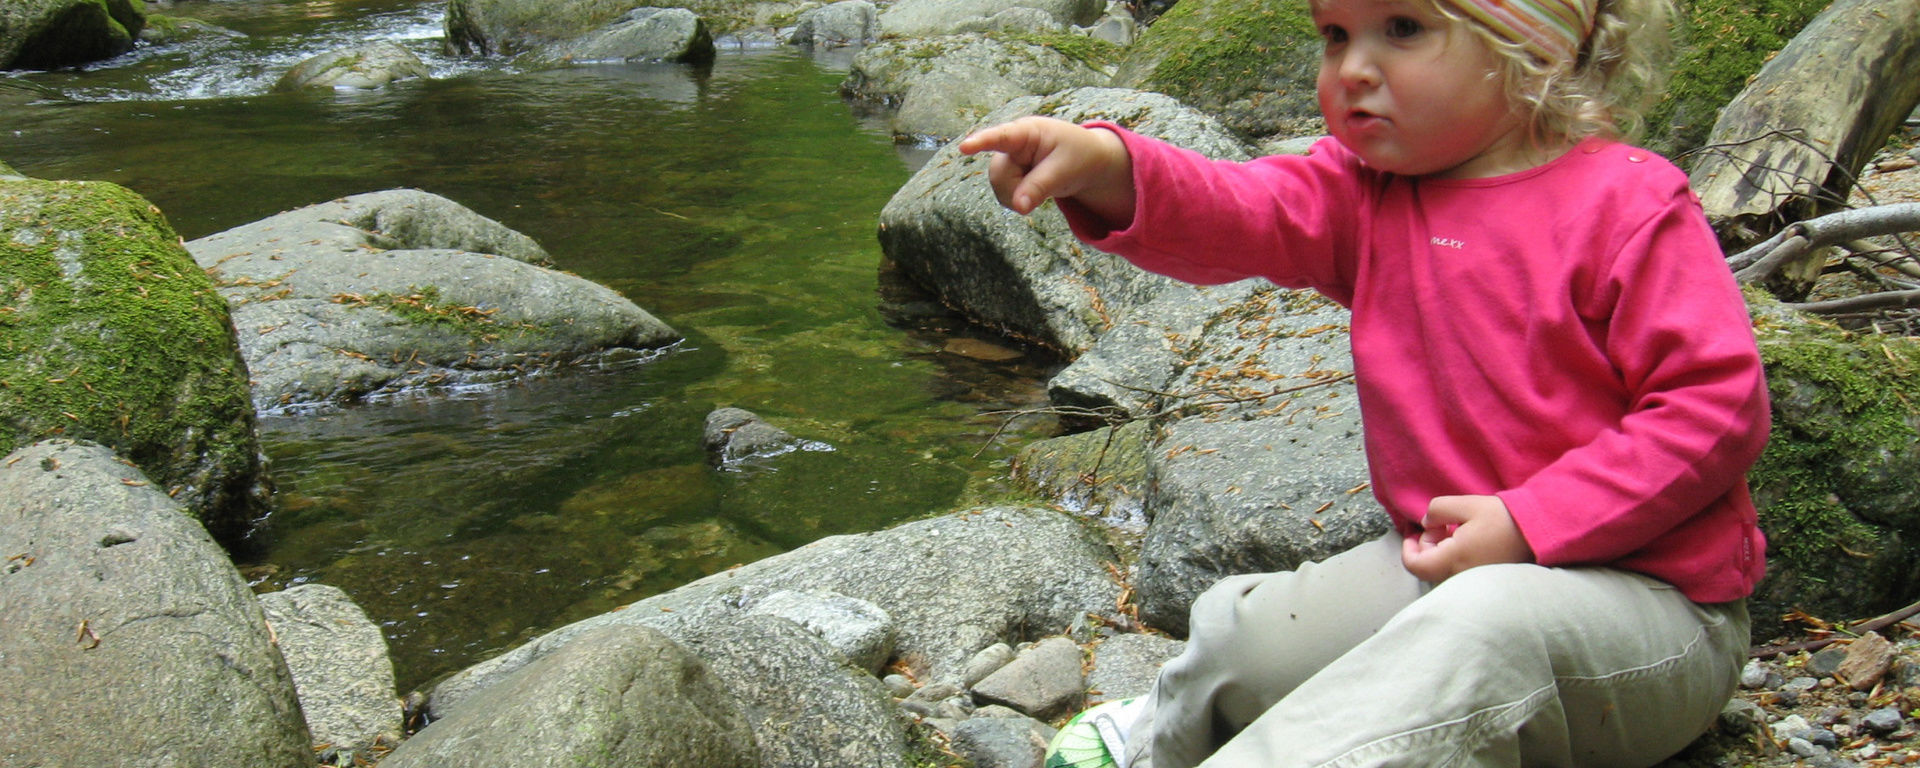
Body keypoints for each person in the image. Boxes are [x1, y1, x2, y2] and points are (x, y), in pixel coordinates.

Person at [956, 0, 1772, 764]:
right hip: (1442, 561)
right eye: (1335, 34)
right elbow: (1243, 207)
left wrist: (1532, 523)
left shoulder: (1626, 203)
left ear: (1532, 45)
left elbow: (1716, 408)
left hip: (1651, 612)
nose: (1351, 68)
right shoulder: (1368, 195)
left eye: (1403, 28)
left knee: (1484, 637)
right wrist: (1109, 166)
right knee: (1254, 642)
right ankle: (1168, 733)